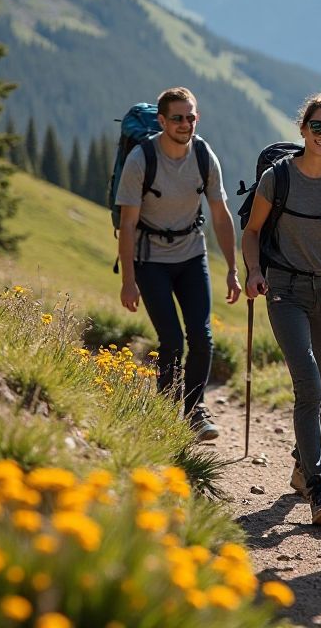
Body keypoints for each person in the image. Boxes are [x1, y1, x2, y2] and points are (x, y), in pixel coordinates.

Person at [242, 93, 321, 526]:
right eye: (318, 127)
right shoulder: (278, 178)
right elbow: (252, 231)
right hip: (284, 289)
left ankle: (300, 467)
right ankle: (319, 486)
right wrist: (253, 270)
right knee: (308, 386)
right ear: (303, 129)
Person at [116, 86, 242, 439]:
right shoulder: (142, 159)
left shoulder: (203, 156)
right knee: (171, 339)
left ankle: (194, 409)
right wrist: (128, 281)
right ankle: (166, 410)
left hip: (191, 255)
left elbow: (220, 214)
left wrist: (233, 270)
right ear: (162, 121)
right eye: (178, 118)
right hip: (150, 259)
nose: (186, 124)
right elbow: (127, 224)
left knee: (202, 337)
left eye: (191, 117)